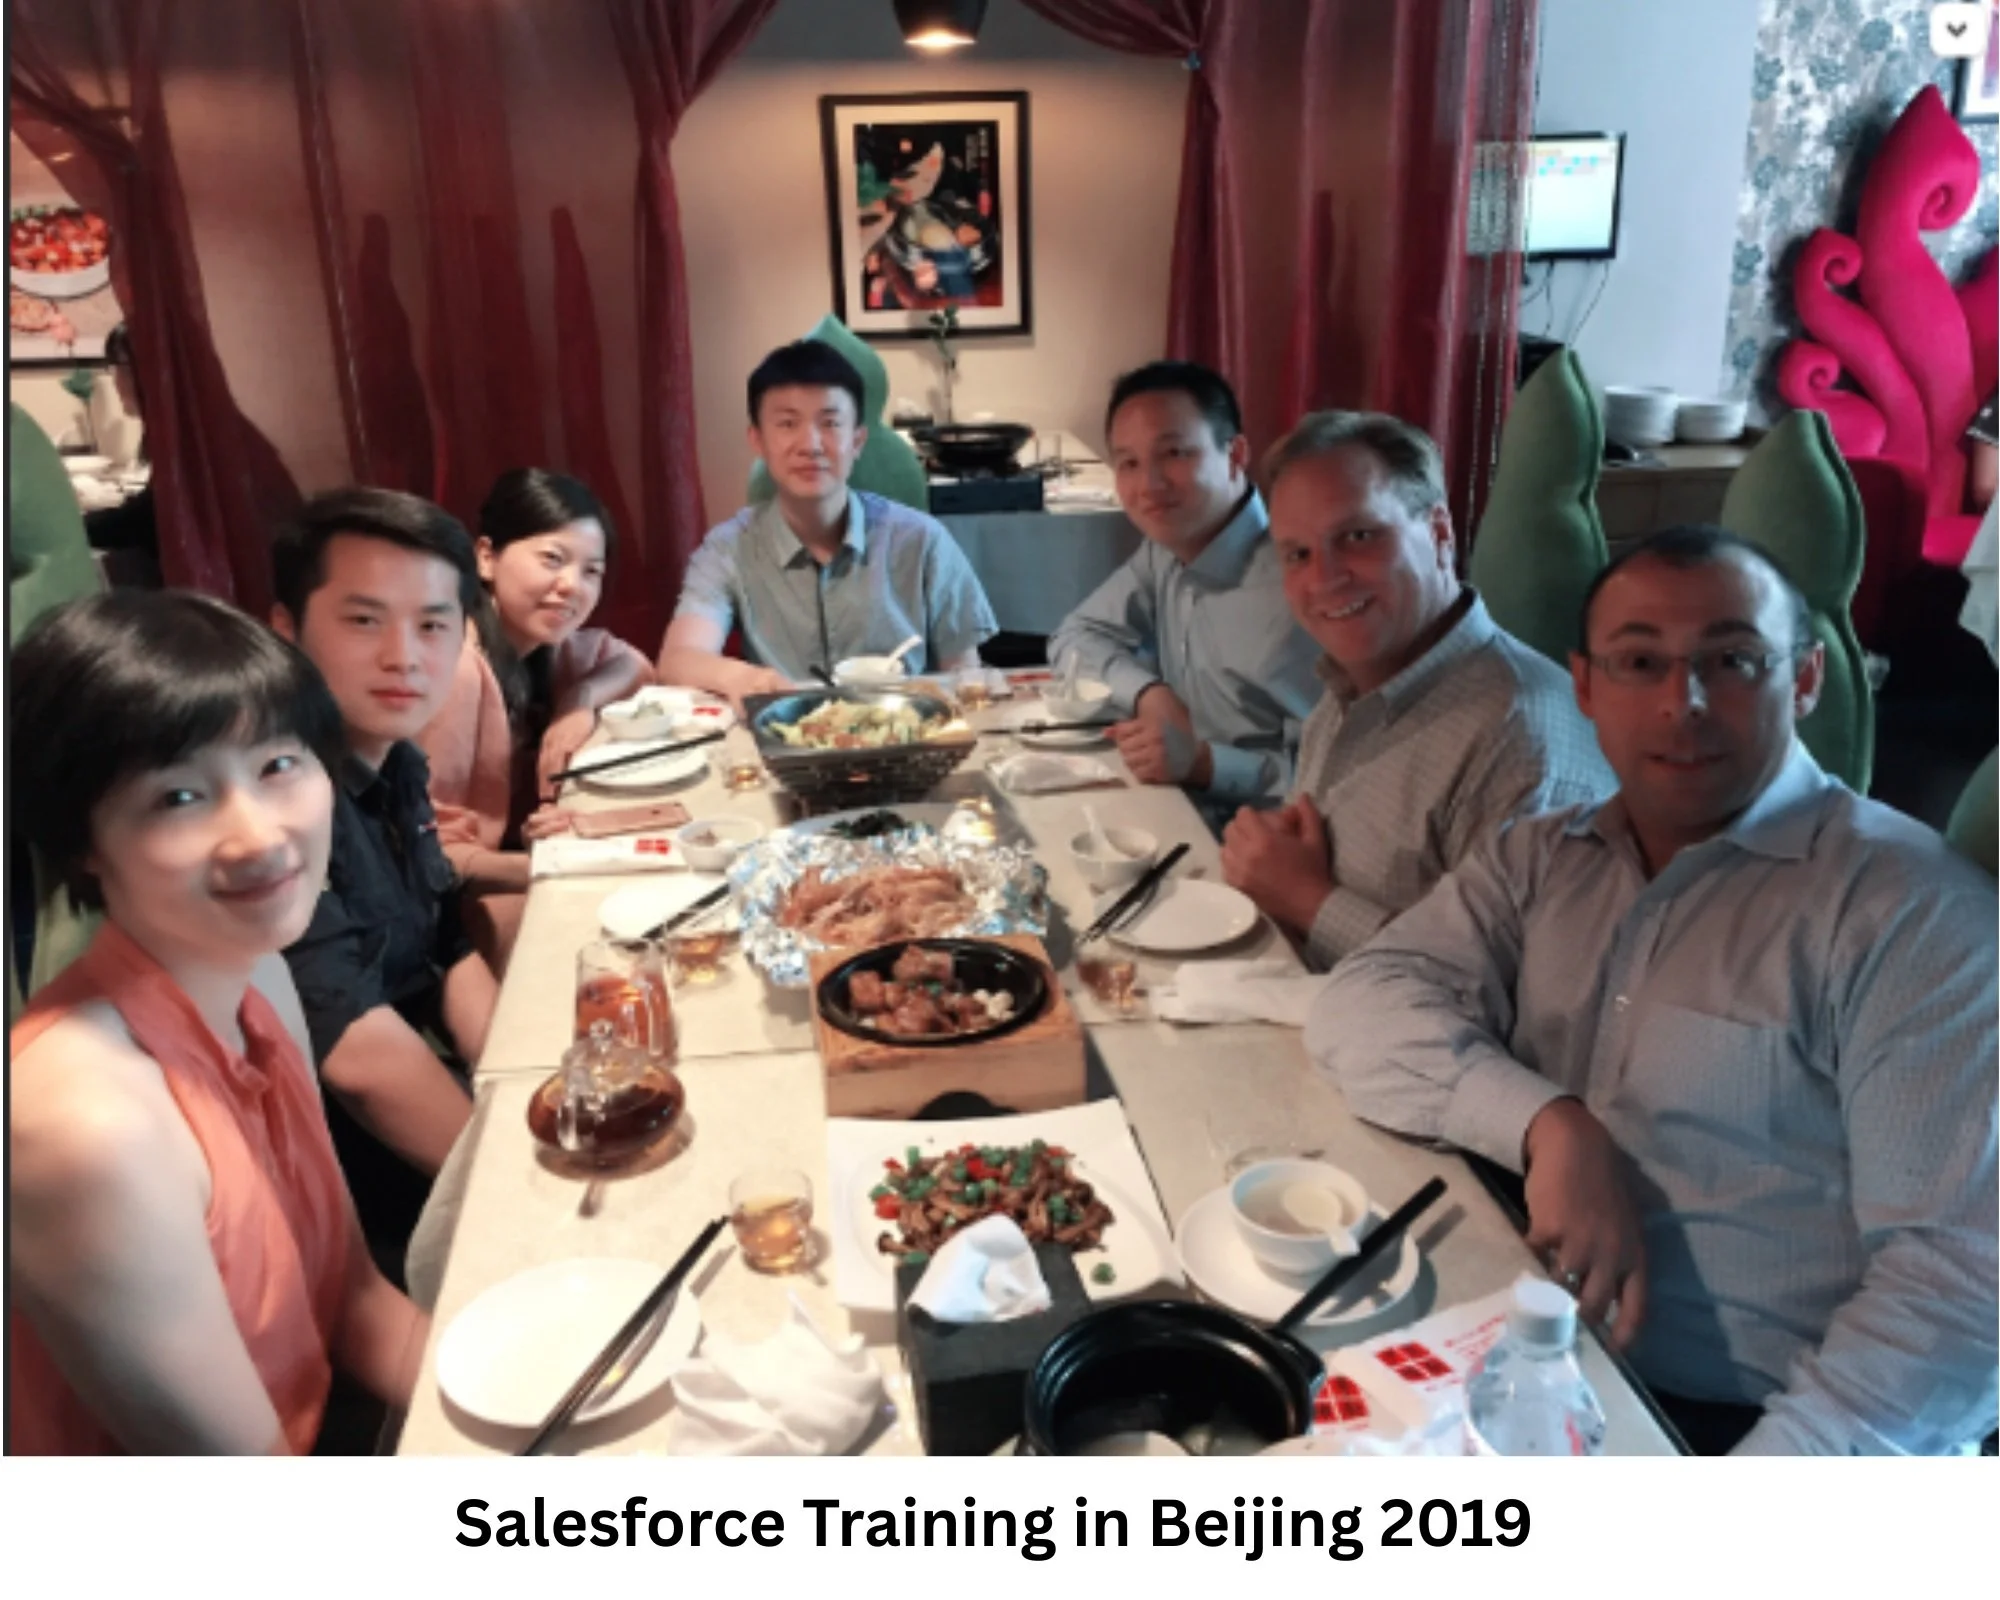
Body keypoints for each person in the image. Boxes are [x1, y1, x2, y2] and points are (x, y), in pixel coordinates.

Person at [1309, 526, 1999, 1455]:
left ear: (1805, 678)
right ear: (1585, 685)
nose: (1685, 702)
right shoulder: (1541, 856)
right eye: (1640, 662)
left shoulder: (1908, 914)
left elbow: (1960, 1288)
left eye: (1733, 659)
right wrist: (1549, 1122)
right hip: (1522, 1346)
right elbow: (1362, 1001)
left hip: (1749, 1424)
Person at [8, 590, 428, 1452]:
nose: (259, 837)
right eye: (179, 797)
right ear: (84, 838)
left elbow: (354, 1300)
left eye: (278, 765)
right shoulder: (85, 1125)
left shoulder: (259, 979)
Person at [1220, 411, 1612, 968]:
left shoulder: (1521, 738)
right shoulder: (1349, 685)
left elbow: (1510, 994)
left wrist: (1310, 902)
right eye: (1298, 554)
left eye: (1358, 536)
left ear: (1439, 533)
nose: (1324, 579)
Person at [270, 487, 498, 1281]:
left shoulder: (393, 758)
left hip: (443, 1117)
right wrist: (511, 1178)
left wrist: (532, 1078)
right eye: (364, 620)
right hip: (356, 1205)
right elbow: (357, 1059)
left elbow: (444, 941)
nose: (405, 656)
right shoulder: (276, 804)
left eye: (433, 624)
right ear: (287, 631)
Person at [1048, 362, 1322, 814]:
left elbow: (1336, 778)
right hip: (1170, 807)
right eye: (1129, 463)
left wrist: (1205, 764)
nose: (1148, 486)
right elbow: (1074, 637)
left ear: (1235, 456)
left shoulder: (1302, 585)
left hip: (1263, 841)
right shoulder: (1165, 551)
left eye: (1174, 454)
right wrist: (1148, 692)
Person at [657, 340, 996, 700]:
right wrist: (741, 678)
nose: (811, 445)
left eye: (830, 423)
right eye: (788, 423)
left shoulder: (923, 540)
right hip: (785, 737)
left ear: (858, 441)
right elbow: (678, 660)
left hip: (905, 737)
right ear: (757, 440)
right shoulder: (729, 548)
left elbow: (963, 674)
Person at [417, 468, 653, 907]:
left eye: (591, 571)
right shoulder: (460, 669)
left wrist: (577, 703)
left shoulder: (545, 648)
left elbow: (634, 665)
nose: (571, 586)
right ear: (486, 557)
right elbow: (427, 849)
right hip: (436, 906)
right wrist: (558, 866)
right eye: (552, 559)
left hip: (500, 861)